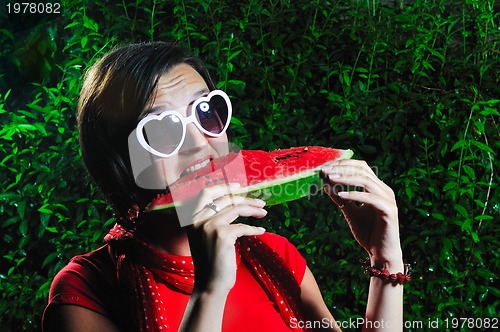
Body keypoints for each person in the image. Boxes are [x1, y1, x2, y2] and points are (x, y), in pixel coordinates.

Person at [42, 41, 407, 332]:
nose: (199, 142)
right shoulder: (83, 291)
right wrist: (210, 290)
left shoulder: (277, 255)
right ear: (118, 162)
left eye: (205, 111)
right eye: (162, 129)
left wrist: (385, 260)